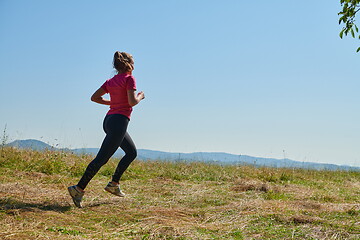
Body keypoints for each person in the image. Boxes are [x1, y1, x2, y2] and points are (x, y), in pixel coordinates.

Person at [68, 51, 145, 208]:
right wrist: (140, 96)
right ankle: (78, 189)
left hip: (109, 120)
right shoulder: (130, 79)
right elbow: (131, 102)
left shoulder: (111, 81)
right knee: (101, 159)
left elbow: (94, 97)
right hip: (119, 122)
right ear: (130, 64)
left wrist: (113, 103)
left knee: (131, 153)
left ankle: (114, 184)